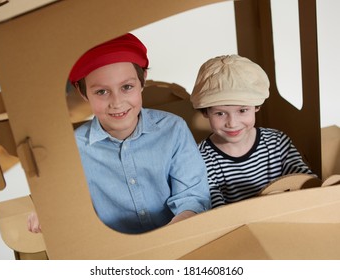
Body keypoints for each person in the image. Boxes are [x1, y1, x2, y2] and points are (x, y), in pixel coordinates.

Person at [28, 33, 210, 234]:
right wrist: (45, 210)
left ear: (142, 82)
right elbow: (58, 197)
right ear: (83, 93)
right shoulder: (72, 149)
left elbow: (192, 198)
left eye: (126, 87)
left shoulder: (173, 129)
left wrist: (165, 241)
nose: (116, 102)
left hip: (177, 236)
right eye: (102, 92)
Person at [190, 54, 314, 209]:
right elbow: (215, 208)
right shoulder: (200, 158)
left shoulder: (277, 142)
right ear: (205, 113)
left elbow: (304, 179)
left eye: (242, 110)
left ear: (257, 106)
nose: (232, 123)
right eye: (220, 113)